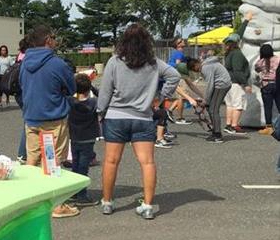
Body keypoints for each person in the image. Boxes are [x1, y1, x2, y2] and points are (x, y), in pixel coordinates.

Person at [97, 24, 180, 220]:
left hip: (116, 116)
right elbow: (174, 76)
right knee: (147, 162)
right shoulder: (153, 63)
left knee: (111, 161)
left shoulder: (115, 62)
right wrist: (160, 98)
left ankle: (107, 202)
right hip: (143, 117)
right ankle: (148, 205)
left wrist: (100, 111)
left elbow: (105, 91)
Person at [19, 26, 78, 218]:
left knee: (32, 160)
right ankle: (57, 206)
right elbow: (71, 88)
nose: (55, 40)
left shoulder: (25, 62)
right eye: (53, 37)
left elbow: (21, 86)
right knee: (52, 162)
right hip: (53, 119)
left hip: (31, 118)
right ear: (47, 41)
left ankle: (31, 202)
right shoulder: (57, 63)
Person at [66, 74, 100, 207]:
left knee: (75, 165)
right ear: (88, 88)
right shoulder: (93, 102)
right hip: (88, 138)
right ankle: (82, 195)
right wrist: (92, 87)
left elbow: (66, 93)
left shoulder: (70, 101)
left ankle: (74, 192)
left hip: (74, 137)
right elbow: (103, 96)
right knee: (83, 167)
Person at [188, 52, 231, 143]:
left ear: (196, 65)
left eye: (193, 69)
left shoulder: (205, 68)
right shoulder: (206, 64)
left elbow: (210, 85)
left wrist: (205, 100)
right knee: (210, 108)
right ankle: (215, 131)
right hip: (220, 84)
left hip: (221, 85)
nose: (195, 71)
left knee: (213, 109)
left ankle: (218, 135)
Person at [223, 13, 252, 134]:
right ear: (237, 43)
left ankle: (228, 125)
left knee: (230, 104)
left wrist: (246, 21)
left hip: (228, 83)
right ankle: (235, 126)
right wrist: (245, 83)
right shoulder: (237, 54)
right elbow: (238, 71)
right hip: (236, 83)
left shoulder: (228, 53)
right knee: (238, 104)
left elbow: (237, 34)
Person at [254, 43, 280, 135]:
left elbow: (256, 69)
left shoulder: (260, 62)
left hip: (266, 85)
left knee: (268, 107)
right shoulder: (278, 59)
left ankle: (269, 127)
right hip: (277, 84)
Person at [15, 38, 28, 163]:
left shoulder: (19, 56)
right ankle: (22, 154)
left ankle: (23, 154)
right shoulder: (27, 58)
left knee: (27, 121)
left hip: (18, 93)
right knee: (28, 123)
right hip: (24, 93)